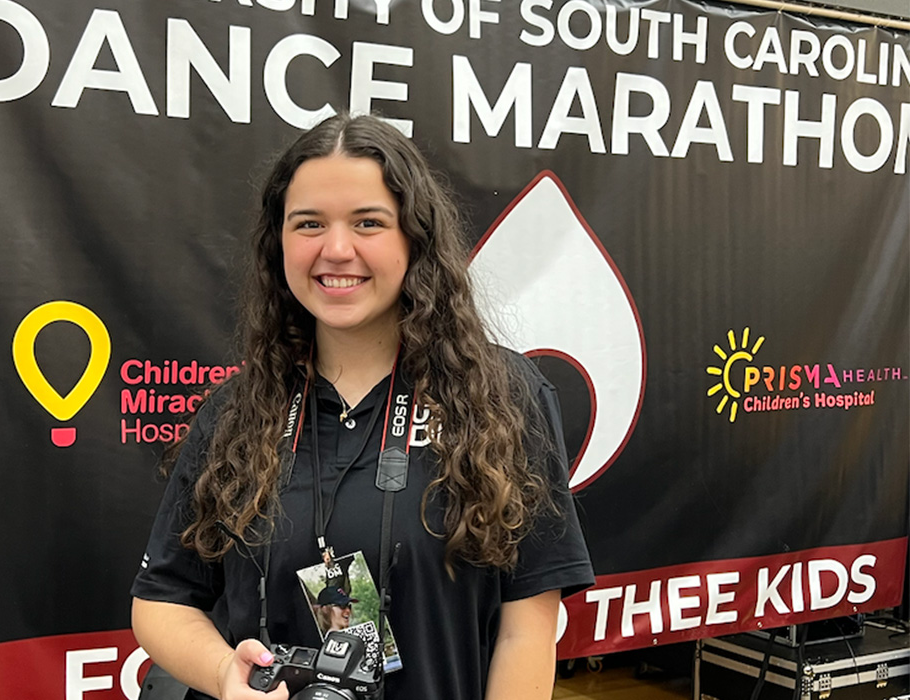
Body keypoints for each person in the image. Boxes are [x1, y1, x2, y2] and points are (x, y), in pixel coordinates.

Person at [130, 113, 594, 700]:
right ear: (280, 244)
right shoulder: (234, 412)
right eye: (309, 224)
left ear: (414, 237)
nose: (337, 249)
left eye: (368, 222)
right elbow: (161, 602)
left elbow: (526, 629)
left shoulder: (502, 395)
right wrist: (225, 674)